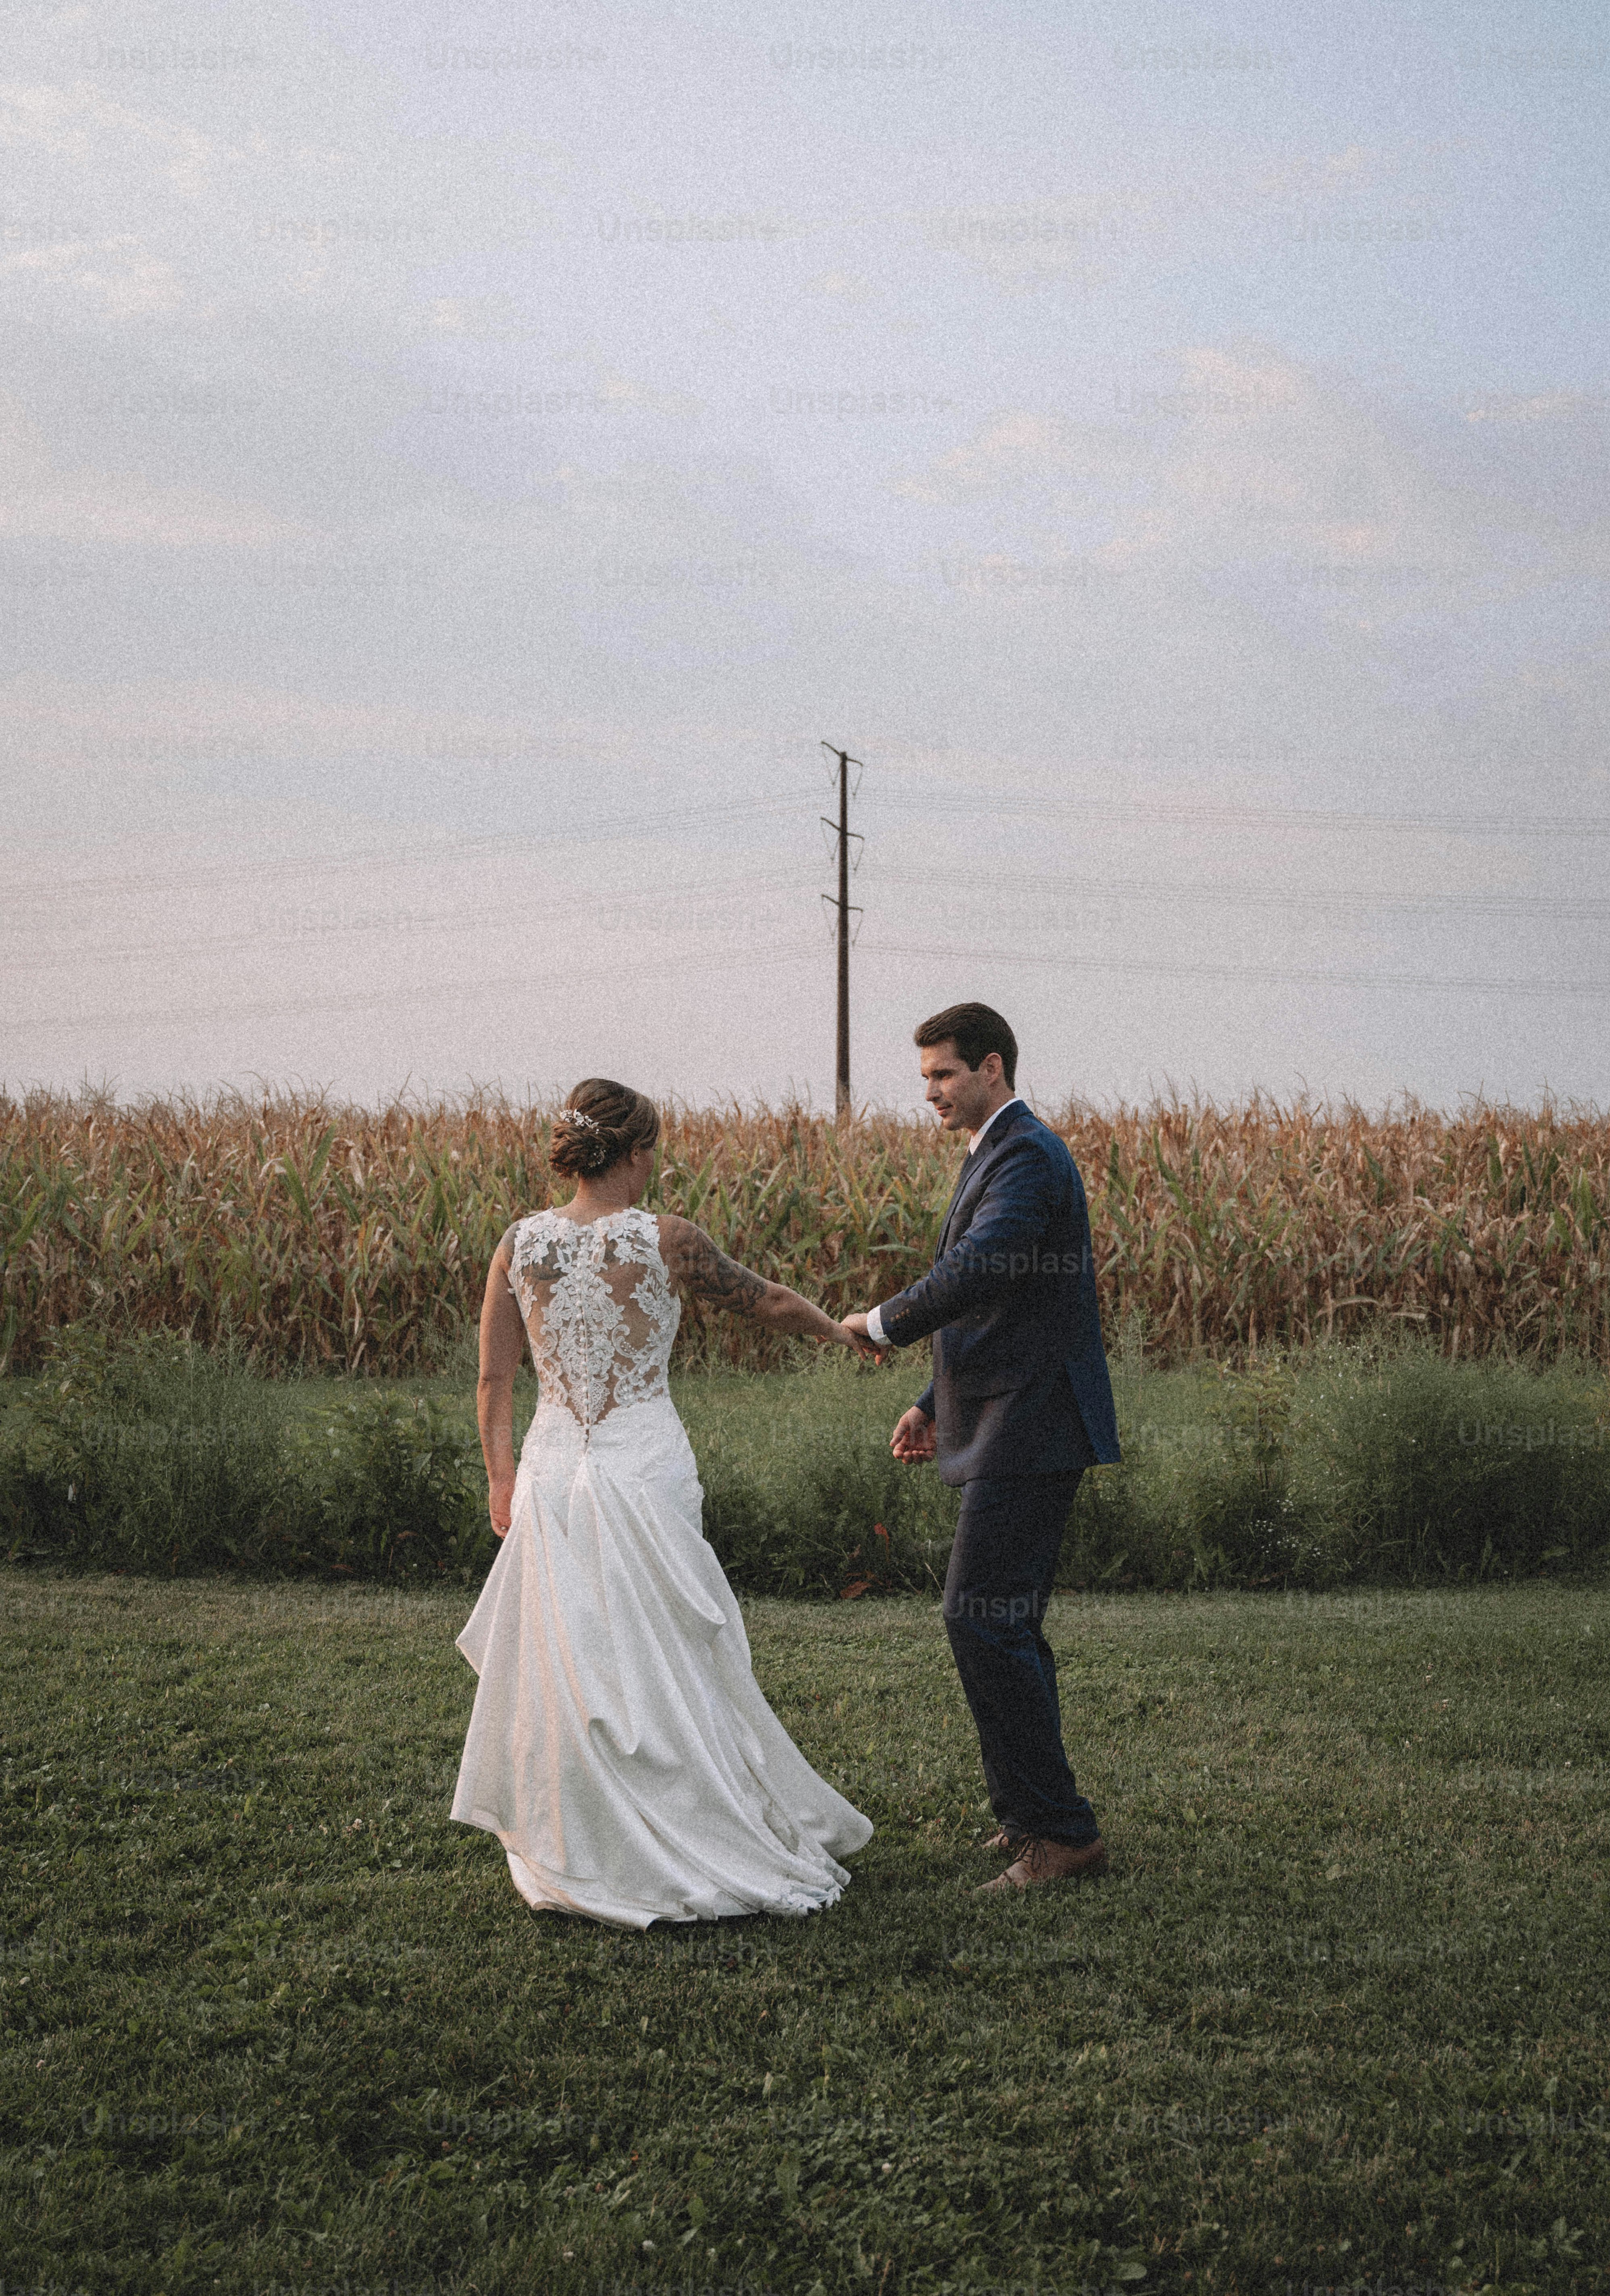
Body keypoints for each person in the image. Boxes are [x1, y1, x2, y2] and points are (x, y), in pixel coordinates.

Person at [451, 1077, 874, 1929]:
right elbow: (771, 1304)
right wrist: (839, 1331)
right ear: (636, 1153)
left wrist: (499, 1476)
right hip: (641, 1461)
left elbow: (494, 1377)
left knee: (570, 1653)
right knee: (671, 1644)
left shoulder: (517, 1243)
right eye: (654, 1153)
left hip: (550, 1464)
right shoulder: (668, 1239)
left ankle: (582, 1835)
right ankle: (694, 1821)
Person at [842, 1003, 1121, 1894]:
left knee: (981, 1619)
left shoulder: (1026, 1156)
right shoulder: (998, 1153)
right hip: (1009, 1412)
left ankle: (1061, 1836)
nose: (928, 1092)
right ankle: (1027, 1816)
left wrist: (883, 1323)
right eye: (924, 1076)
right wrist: (932, 1399)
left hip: (1032, 1424)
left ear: (991, 1068)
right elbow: (1001, 1307)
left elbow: (981, 1271)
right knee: (1002, 1623)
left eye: (942, 1074)